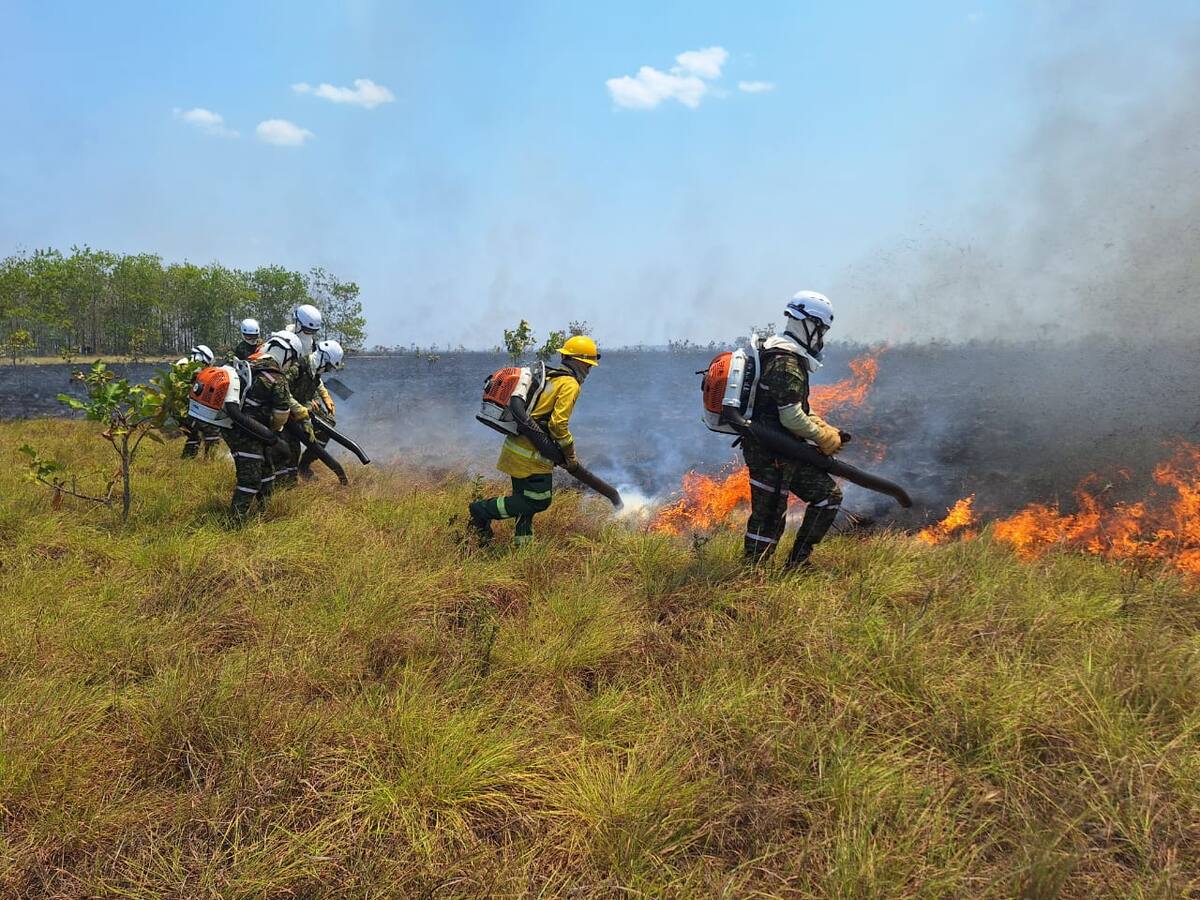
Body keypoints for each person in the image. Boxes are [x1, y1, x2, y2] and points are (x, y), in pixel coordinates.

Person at [742, 292, 845, 570]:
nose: (821, 336)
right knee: (769, 517)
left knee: (828, 496)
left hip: (785, 450)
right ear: (808, 324)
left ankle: (798, 563)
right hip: (770, 453)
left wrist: (825, 428)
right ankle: (751, 576)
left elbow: (797, 407)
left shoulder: (787, 356)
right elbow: (790, 416)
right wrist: (822, 438)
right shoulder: (786, 361)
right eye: (821, 329)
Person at [468, 335, 600, 546]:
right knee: (537, 501)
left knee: (523, 501)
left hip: (515, 448)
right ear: (579, 362)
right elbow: (558, 426)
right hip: (532, 456)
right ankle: (481, 511)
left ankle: (523, 546)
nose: (589, 371)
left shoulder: (549, 376)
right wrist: (570, 455)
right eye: (588, 365)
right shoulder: (570, 384)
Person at [221, 331, 303, 520]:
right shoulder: (277, 377)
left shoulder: (247, 363)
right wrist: (272, 432)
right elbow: (281, 415)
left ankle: (265, 512)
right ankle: (235, 523)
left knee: (267, 469)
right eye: (292, 360)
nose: (291, 365)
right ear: (286, 354)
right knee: (250, 479)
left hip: (233, 427)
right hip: (248, 433)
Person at [295, 340, 350, 485]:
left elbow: (316, 382)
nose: (328, 371)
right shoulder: (298, 366)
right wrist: (304, 404)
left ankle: (304, 466)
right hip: (286, 409)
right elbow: (283, 390)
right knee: (289, 449)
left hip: (303, 406)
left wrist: (324, 396)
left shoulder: (315, 369)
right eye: (328, 367)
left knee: (328, 425)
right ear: (323, 359)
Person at [176, 345, 220, 459]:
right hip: (184, 410)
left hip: (184, 409)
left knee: (194, 436)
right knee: (211, 431)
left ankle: (187, 460)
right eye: (205, 364)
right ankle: (210, 461)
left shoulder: (186, 365)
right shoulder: (185, 367)